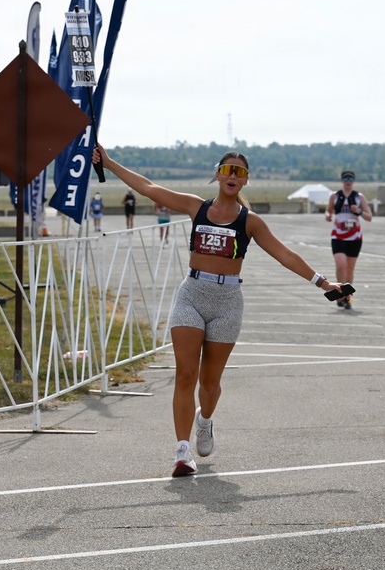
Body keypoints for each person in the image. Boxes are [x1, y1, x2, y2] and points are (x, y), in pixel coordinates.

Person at [91, 144, 347, 477]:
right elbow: (149, 188)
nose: (232, 176)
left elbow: (284, 254)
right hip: (192, 295)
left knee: (210, 384)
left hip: (227, 303)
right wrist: (110, 163)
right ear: (217, 174)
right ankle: (182, 452)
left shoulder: (250, 222)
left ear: (245, 181)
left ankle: (205, 420)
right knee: (186, 374)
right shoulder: (195, 206)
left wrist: (323, 282)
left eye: (239, 172)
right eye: (227, 170)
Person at [325, 170, 372, 309]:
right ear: (341, 181)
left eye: (350, 179)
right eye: (345, 178)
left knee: (350, 269)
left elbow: (369, 217)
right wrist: (328, 215)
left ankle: (347, 297)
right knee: (341, 265)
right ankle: (339, 293)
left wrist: (359, 211)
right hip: (338, 235)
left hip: (354, 237)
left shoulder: (359, 197)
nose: (348, 181)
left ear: (354, 181)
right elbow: (328, 210)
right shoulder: (335, 196)